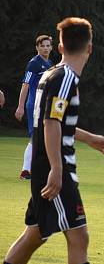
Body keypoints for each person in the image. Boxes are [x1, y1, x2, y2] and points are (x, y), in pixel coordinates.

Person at [0, 17, 104, 264]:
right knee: (78, 236)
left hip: (46, 167)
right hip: (55, 171)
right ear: (90, 48)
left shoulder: (51, 75)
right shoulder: (66, 78)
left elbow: (56, 120)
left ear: (59, 46)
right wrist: (57, 169)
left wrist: (89, 138)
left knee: (36, 234)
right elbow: (50, 123)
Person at [15, 35, 54, 180]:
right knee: (35, 137)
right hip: (34, 105)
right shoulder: (33, 63)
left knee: (43, 137)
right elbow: (25, 85)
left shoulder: (50, 63)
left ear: (51, 47)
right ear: (37, 47)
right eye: (42, 45)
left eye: (47, 45)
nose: (45, 48)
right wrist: (20, 106)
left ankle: (36, 170)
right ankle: (25, 171)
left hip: (45, 105)